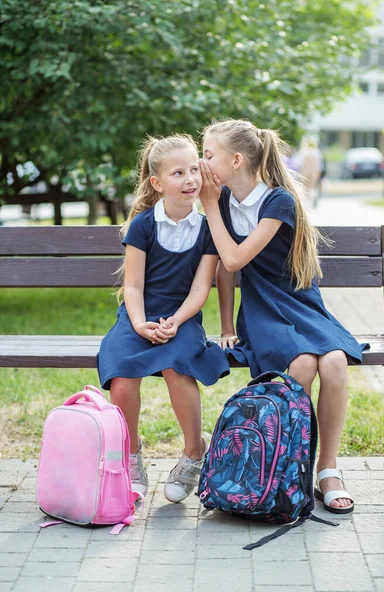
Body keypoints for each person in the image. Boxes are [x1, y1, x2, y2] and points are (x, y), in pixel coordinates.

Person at [199, 118, 367, 515]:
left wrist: (207, 207)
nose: (202, 163)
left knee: (335, 362)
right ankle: (289, 468)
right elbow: (226, 270)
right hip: (261, 307)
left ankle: (327, 469)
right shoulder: (221, 202)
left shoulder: (277, 201)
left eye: (208, 155)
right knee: (303, 363)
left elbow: (236, 256)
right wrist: (225, 326)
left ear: (236, 160)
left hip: (300, 302)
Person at [97, 134, 230, 503]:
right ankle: (131, 453)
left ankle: (193, 452)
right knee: (122, 374)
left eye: (193, 170)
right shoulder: (143, 225)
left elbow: (201, 289)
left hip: (183, 317)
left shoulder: (206, 230)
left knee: (177, 366)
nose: (190, 179)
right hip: (138, 315)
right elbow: (134, 286)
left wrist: (176, 320)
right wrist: (139, 324)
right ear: (157, 183)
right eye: (178, 173)